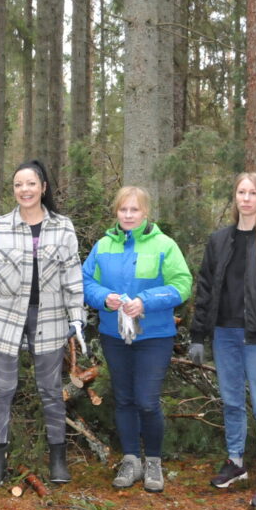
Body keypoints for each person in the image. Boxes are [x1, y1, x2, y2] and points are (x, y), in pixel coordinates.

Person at [0, 160, 86, 488]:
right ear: (14, 189)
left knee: (50, 390)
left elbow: (73, 276)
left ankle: (58, 460)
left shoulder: (62, 227)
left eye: (31, 184)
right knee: (1, 390)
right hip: (6, 320)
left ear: (43, 188)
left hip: (49, 318)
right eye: (19, 184)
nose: (25, 190)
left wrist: (76, 317)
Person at [189, 173, 256, 508]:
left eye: (253, 193)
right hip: (225, 334)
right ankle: (235, 462)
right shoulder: (220, 240)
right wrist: (197, 335)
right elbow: (205, 288)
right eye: (241, 192)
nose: (246, 198)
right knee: (232, 401)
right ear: (234, 197)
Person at [83, 186, 193, 493]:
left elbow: (182, 284)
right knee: (125, 398)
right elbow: (85, 280)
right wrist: (106, 298)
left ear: (145, 213)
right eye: (123, 210)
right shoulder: (103, 246)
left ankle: (154, 461)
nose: (128, 215)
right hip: (113, 333)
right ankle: (131, 459)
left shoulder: (164, 245)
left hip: (154, 334)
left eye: (134, 210)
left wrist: (146, 300)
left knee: (146, 400)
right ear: (116, 212)